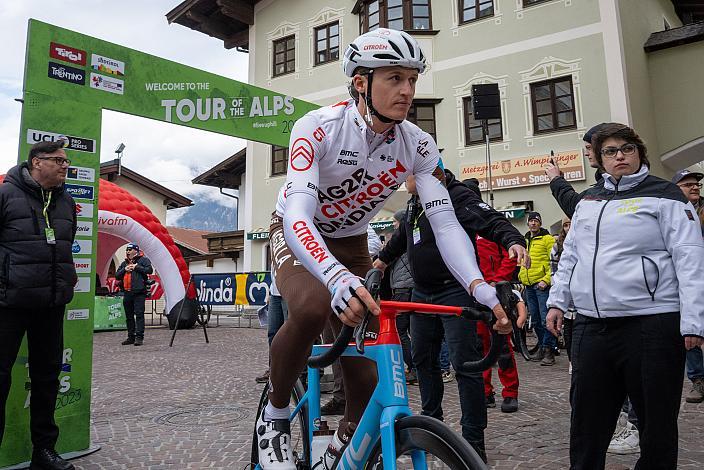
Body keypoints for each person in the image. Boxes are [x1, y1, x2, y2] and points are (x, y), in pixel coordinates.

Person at [259, 28, 514, 470]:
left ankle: (343, 449)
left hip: (354, 242)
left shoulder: (416, 143)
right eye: (394, 78)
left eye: (412, 79)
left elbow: (446, 222)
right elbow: (298, 214)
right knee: (313, 307)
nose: (407, 90)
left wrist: (479, 286)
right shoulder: (317, 128)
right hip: (298, 230)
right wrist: (335, 277)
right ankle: (276, 415)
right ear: (361, 82)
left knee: (367, 381)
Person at [545, 123, 704, 469]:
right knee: (586, 422)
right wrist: (558, 300)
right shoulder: (588, 200)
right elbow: (571, 255)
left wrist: (694, 321)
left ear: (639, 152)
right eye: (610, 151)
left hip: (652, 323)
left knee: (656, 423)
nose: (620, 156)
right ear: (599, 159)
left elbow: (690, 258)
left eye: (627, 149)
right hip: (591, 325)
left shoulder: (666, 195)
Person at [374, 167, 528, 460]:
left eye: (408, 173)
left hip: (455, 291)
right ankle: (430, 427)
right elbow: (404, 235)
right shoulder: (415, 202)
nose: (402, 179)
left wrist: (513, 241)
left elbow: (492, 220)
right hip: (422, 293)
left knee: (465, 364)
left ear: (432, 174)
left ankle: (473, 440)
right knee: (423, 359)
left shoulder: (456, 196)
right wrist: (379, 262)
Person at [0, 140, 78, 470]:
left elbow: (64, 247)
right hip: (8, 304)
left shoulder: (67, 201)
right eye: (59, 161)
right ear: (36, 163)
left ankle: (43, 452)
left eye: (67, 162)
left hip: (51, 304)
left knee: (47, 379)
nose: (65, 167)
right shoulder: (5, 195)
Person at [476, 234, 526, 412]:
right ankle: (485, 391)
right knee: (480, 346)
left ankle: (510, 392)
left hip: (496, 293)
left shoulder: (494, 230)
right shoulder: (465, 232)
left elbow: (510, 257)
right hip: (474, 295)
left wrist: (496, 281)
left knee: (503, 347)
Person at [672, 168, 704, 403]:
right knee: (690, 331)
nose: (694, 187)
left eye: (696, 184)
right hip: (684, 284)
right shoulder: (673, 212)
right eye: (688, 184)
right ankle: (697, 380)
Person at [544, 123, 607, 218]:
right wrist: (558, 179)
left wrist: (556, 179)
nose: (586, 154)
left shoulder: (612, 182)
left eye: (589, 148)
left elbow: (576, 207)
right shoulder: (606, 180)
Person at [518, 212, 556, 365]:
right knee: (535, 320)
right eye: (531, 221)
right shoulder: (524, 240)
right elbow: (521, 260)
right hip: (528, 285)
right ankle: (542, 346)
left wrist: (546, 280)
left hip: (541, 286)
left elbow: (554, 262)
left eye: (536, 221)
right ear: (528, 223)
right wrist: (521, 276)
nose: (533, 223)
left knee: (545, 319)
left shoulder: (547, 239)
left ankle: (549, 351)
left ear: (540, 223)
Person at [115, 243, 153, 346]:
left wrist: (137, 267)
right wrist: (125, 269)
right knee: (129, 316)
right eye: (127, 249)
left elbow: (149, 270)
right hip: (127, 292)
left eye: (130, 249)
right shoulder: (124, 263)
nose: (127, 251)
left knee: (139, 315)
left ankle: (139, 337)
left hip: (139, 292)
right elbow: (117, 276)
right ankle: (130, 337)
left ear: (136, 251)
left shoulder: (143, 260)